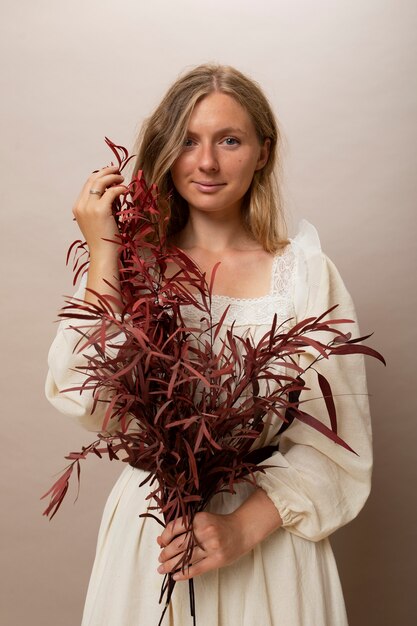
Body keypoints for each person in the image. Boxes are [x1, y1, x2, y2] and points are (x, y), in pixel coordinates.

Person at [45, 64, 372, 626]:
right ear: (166, 150)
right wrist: (104, 249)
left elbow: (337, 445)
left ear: (263, 151)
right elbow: (84, 398)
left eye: (230, 140)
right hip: (154, 539)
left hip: (268, 546)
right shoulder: (129, 267)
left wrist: (241, 529)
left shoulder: (307, 276)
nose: (207, 163)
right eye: (189, 141)